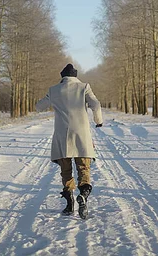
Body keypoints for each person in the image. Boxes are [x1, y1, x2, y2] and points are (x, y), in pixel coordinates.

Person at [36, 63, 103, 219]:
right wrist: (98, 121)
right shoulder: (84, 87)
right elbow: (96, 104)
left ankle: (69, 203)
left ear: (62, 76)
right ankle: (84, 195)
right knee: (84, 167)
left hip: (62, 136)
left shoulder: (54, 90)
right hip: (81, 135)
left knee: (65, 170)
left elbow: (39, 107)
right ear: (75, 76)